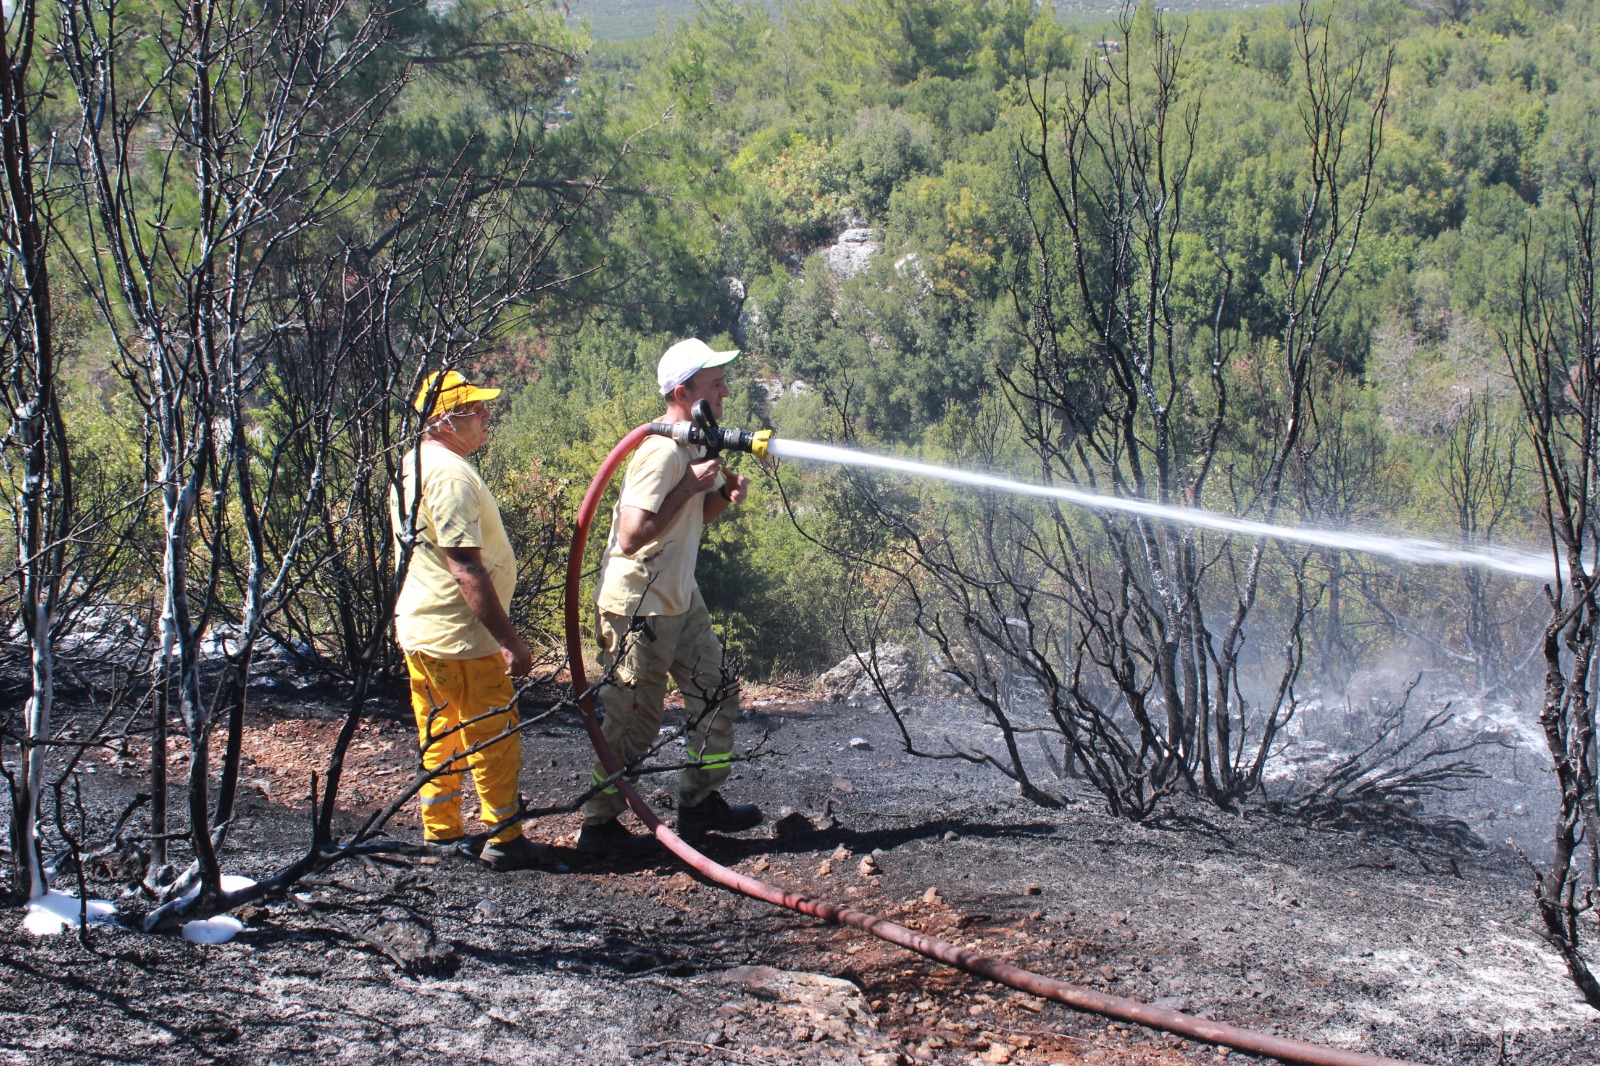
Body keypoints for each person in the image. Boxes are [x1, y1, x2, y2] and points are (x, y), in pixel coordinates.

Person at [577, 338, 765, 858]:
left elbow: (687, 523)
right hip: (640, 607)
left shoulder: (694, 446)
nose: (726, 392)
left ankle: (699, 804)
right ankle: (599, 827)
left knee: (716, 692)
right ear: (684, 393)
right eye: (715, 385)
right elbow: (634, 536)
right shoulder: (661, 452)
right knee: (634, 721)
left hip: (681, 598)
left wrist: (721, 499)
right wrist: (687, 488)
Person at [391, 370, 545, 872]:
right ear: (443, 418)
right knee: (492, 734)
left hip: (423, 629)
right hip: (462, 638)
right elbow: (465, 567)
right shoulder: (450, 475)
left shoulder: (413, 464)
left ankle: (442, 833)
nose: (485, 416)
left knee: (440, 733)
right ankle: (504, 836)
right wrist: (509, 641)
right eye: (474, 409)